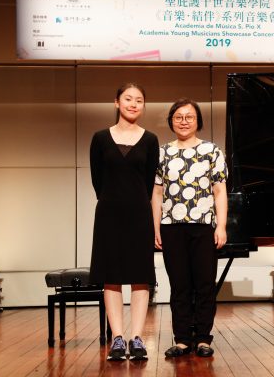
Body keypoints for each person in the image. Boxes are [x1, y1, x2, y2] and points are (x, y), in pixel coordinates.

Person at [152, 97, 228, 358]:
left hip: (204, 226)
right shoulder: (162, 152)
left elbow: (220, 191)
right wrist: (156, 227)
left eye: (189, 117)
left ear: (198, 121)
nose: (184, 121)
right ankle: (183, 339)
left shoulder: (211, 150)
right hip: (171, 227)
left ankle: (204, 339)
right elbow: (157, 193)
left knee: (205, 284)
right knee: (179, 285)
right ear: (171, 121)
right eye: (179, 117)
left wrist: (221, 226)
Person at [89, 82, 159, 361]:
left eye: (139, 100)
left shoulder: (150, 139)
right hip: (109, 214)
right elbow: (97, 180)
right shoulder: (100, 138)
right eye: (128, 99)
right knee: (112, 277)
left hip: (139, 214)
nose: (133, 104)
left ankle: (137, 338)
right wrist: (115, 199)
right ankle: (118, 338)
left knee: (141, 276)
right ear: (117, 102)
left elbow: (149, 182)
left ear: (143, 106)